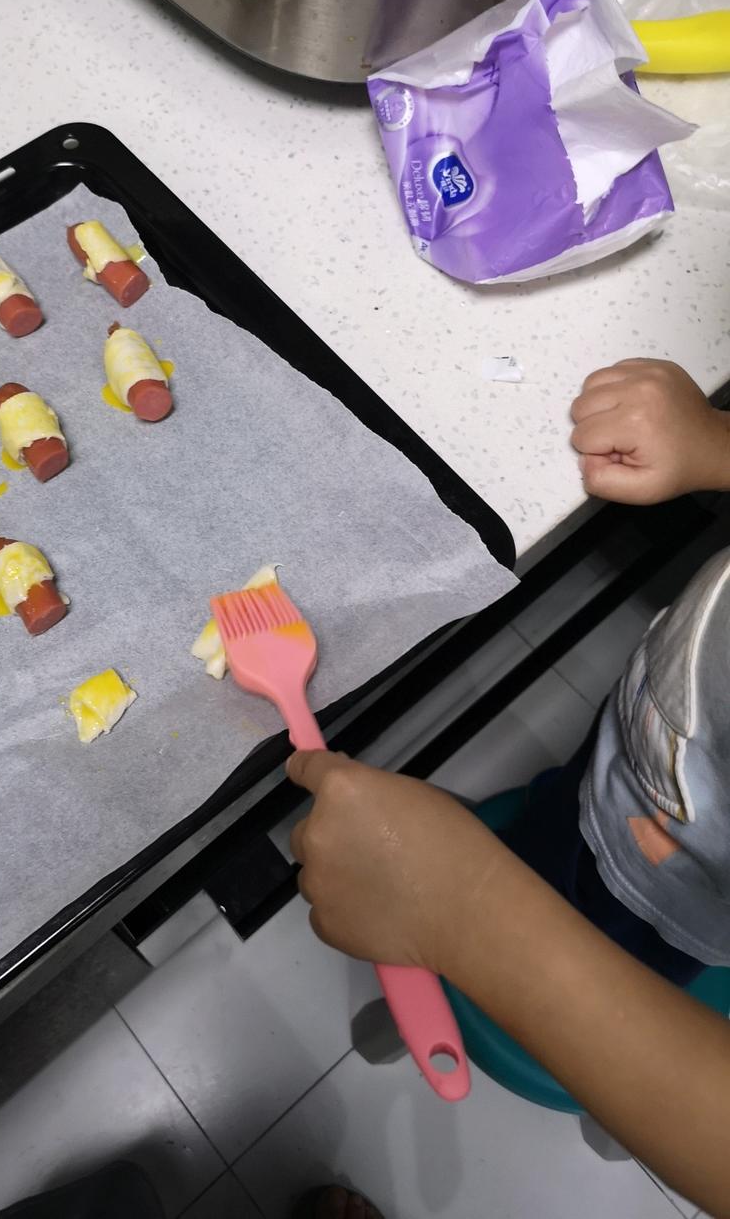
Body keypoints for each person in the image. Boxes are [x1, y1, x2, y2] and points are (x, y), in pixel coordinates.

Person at [288, 359, 730, 1219]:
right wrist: (717, 447)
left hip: (683, 897)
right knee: (552, 827)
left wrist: (468, 911)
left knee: (621, 940)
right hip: (633, 760)